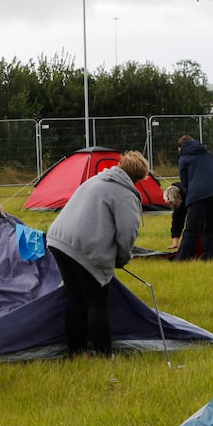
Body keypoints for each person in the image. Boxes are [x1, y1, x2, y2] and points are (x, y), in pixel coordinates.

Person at [46, 150, 150, 357]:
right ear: (138, 178)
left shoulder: (95, 179)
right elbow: (128, 232)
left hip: (58, 241)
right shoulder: (126, 194)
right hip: (85, 248)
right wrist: (122, 258)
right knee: (96, 302)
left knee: (76, 298)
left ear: (120, 165)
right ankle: (104, 354)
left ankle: (75, 351)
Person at [174, 135, 213, 261]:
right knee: (212, 230)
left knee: (192, 230)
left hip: (198, 195)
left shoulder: (184, 158)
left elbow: (185, 183)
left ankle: (182, 259)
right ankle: (210, 257)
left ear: (180, 147)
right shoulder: (210, 155)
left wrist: (188, 200)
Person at [163, 182, 187, 250]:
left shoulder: (188, 193)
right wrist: (175, 243)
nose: (172, 206)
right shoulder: (178, 204)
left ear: (178, 197)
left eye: (172, 203)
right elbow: (177, 222)